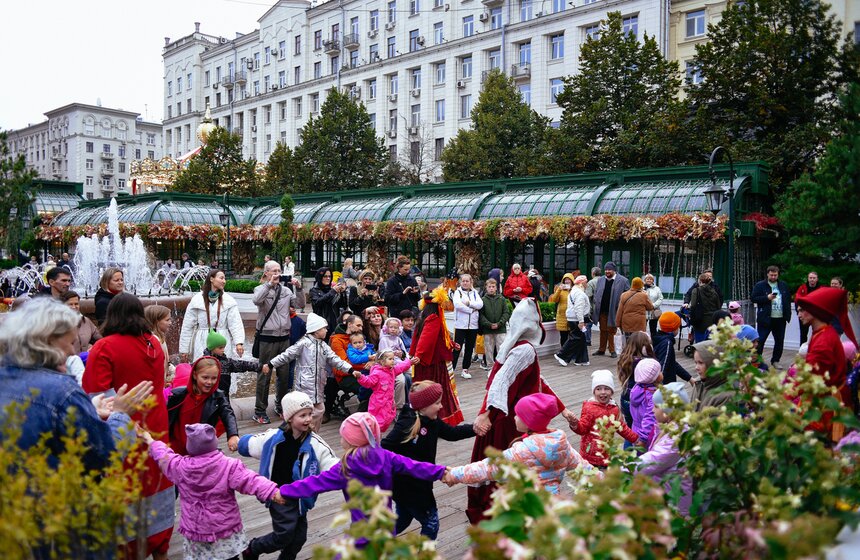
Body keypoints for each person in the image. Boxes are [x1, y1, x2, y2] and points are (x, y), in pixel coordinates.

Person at [0, 298, 153, 471]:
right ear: (48, 340)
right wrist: (120, 414)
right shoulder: (62, 390)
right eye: (69, 342)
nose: (72, 351)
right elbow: (105, 456)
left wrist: (89, 410)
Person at [467, 298, 576, 523]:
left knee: (500, 463)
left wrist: (563, 410)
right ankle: (506, 508)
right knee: (509, 462)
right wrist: (486, 413)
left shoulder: (515, 346)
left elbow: (538, 381)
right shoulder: (524, 349)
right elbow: (501, 381)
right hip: (511, 419)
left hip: (506, 414)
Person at [82, 293, 175, 558]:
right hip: (156, 423)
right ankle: (160, 541)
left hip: (123, 428)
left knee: (128, 481)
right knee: (156, 476)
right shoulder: (153, 343)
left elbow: (96, 396)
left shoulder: (104, 347)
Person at [276, 412, 447, 528]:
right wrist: (442, 472)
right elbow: (414, 466)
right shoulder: (386, 457)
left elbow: (314, 483)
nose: (341, 439)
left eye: (343, 436)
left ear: (351, 441)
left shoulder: (346, 468)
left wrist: (283, 491)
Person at [142, 423, 282, 560]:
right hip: (224, 530)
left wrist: (150, 441)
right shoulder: (229, 466)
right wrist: (272, 492)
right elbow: (251, 480)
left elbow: (164, 455)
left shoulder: (180, 467)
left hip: (197, 532)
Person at [239, 392, 340, 560]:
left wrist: (344, 471)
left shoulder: (314, 443)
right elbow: (255, 443)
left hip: (300, 497)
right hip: (278, 494)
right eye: (303, 415)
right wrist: (240, 443)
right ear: (289, 418)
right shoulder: (273, 438)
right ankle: (253, 548)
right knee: (284, 535)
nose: (308, 419)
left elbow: (329, 460)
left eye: (310, 414)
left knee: (299, 539)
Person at [381, 381, 477, 539]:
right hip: (411, 486)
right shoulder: (407, 423)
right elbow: (384, 446)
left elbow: (452, 433)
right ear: (423, 406)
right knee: (431, 523)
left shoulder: (432, 421)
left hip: (416, 483)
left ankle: (375, 541)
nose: (441, 406)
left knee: (403, 519)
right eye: (437, 403)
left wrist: (474, 428)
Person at [447, 392, 589, 494]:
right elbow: (585, 468)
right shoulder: (562, 445)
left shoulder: (522, 451)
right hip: (551, 508)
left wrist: (453, 474)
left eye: (519, 415)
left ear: (529, 422)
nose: (514, 417)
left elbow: (487, 468)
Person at [264, 313, 357, 432]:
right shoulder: (303, 343)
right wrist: (271, 364)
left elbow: (335, 360)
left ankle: (311, 433)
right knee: (305, 411)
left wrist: (350, 369)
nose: (326, 330)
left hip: (318, 385)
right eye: (324, 328)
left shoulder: (323, 346)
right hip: (305, 385)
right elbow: (287, 355)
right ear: (316, 330)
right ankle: (296, 432)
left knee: (319, 409)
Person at [796, 287, 858, 440]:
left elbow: (811, 378)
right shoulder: (822, 332)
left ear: (814, 311)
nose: (799, 315)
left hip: (827, 404)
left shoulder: (823, 341)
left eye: (802, 310)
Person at [252, 261, 305, 423]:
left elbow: (300, 304)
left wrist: (299, 288)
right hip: (267, 338)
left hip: (284, 338)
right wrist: (269, 284)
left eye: (279, 270)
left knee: (284, 375)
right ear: (266, 273)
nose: (277, 273)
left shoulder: (286, 290)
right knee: (264, 374)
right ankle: (260, 411)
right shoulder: (260, 289)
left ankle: (281, 406)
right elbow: (256, 300)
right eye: (273, 271)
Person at [634, 382, 693, 516]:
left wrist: (621, 469)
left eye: (656, 406)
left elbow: (652, 460)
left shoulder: (676, 438)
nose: (652, 410)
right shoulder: (668, 429)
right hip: (665, 497)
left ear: (668, 411)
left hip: (674, 507)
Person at [411, 287, 465, 426]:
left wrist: (451, 344)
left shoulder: (423, 317)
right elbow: (426, 340)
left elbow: (440, 337)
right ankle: (441, 419)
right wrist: (419, 355)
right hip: (433, 362)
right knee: (436, 390)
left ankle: (424, 418)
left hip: (426, 360)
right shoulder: (434, 318)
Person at [166, 356, 239, 456]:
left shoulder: (218, 397)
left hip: (201, 450)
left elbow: (228, 414)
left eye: (214, 378)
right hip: (177, 449)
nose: (209, 382)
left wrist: (233, 434)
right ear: (195, 375)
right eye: (205, 377)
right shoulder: (178, 395)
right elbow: (165, 417)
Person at [568, 370, 642, 467]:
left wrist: (635, 439)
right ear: (594, 391)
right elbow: (582, 429)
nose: (603, 392)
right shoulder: (589, 408)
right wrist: (574, 424)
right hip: (589, 456)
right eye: (598, 389)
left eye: (607, 389)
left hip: (607, 454)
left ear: (612, 391)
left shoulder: (614, 408)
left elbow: (621, 427)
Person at [179, 268, 245, 362]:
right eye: (221, 278)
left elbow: (235, 323)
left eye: (224, 278)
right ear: (211, 279)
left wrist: (239, 343)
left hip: (222, 339)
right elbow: (188, 325)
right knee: (203, 366)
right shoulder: (197, 300)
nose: (224, 281)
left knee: (223, 367)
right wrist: (184, 349)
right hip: (202, 340)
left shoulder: (229, 301)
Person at [354, 350, 419, 431]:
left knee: (387, 419)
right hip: (378, 402)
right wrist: (360, 377)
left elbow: (400, 367)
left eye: (393, 359)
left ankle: (376, 433)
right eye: (390, 359)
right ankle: (373, 434)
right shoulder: (377, 373)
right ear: (382, 361)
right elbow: (369, 382)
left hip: (389, 401)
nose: (393, 361)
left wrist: (409, 362)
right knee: (378, 422)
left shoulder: (392, 370)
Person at [203, 330, 262, 401]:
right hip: (207, 399)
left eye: (224, 347)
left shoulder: (227, 362)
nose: (223, 350)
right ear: (212, 348)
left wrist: (259, 366)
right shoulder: (202, 363)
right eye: (220, 348)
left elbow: (242, 365)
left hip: (224, 398)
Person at [751, 265, 792, 366]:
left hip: (780, 318)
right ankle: (757, 360)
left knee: (779, 341)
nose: (773, 277)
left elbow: (787, 299)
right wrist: (767, 298)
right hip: (765, 318)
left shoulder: (783, 285)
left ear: (778, 275)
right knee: (760, 340)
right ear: (767, 274)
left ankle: (775, 361)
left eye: (775, 275)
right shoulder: (760, 285)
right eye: (771, 275)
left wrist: (788, 315)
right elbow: (753, 298)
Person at [616, 331, 656, 426]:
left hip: (626, 398)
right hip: (640, 399)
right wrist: (650, 354)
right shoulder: (645, 363)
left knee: (630, 428)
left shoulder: (625, 359)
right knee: (641, 427)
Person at [592, 262, 630, 358]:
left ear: (614, 270)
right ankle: (601, 349)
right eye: (606, 270)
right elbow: (596, 292)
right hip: (602, 310)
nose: (607, 271)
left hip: (615, 311)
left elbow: (627, 295)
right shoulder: (600, 280)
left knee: (612, 330)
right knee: (603, 330)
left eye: (609, 270)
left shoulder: (623, 280)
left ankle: (612, 350)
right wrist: (596, 300)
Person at [452, 273, 484, 380]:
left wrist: (469, 303)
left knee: (469, 348)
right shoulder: (458, 292)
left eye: (467, 281)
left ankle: (465, 369)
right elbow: (458, 305)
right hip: (460, 325)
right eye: (463, 281)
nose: (465, 283)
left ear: (471, 282)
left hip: (473, 326)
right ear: (460, 282)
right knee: (457, 348)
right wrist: (471, 310)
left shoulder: (475, 293)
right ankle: (451, 369)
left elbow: (480, 304)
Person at [554, 274, 591, 367]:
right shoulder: (579, 293)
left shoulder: (574, 291)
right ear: (581, 283)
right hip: (576, 319)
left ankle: (582, 360)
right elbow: (579, 308)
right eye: (586, 282)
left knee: (581, 339)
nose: (587, 284)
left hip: (573, 318)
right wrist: (581, 321)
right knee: (575, 338)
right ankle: (561, 355)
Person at [690, 340, 734, 412]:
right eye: (696, 362)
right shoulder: (698, 383)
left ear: (714, 364)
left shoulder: (726, 396)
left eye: (701, 363)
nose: (696, 367)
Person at [630, 358, 663, 447]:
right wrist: (643, 438)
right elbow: (650, 417)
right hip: (648, 434)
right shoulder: (653, 395)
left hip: (635, 429)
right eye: (659, 372)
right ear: (654, 378)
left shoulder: (636, 388)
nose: (661, 373)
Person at [652, 312, 692, 385]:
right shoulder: (667, 343)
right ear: (674, 328)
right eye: (678, 327)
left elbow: (671, 363)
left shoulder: (659, 339)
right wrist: (658, 385)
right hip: (665, 385)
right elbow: (663, 365)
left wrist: (689, 378)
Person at [478, 278, 510, 367]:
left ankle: (501, 366)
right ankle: (490, 367)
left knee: (502, 349)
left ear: (496, 288)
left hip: (500, 329)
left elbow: (506, 313)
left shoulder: (502, 299)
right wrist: (489, 324)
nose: (491, 288)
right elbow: (480, 315)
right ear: (486, 288)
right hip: (488, 330)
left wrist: (499, 323)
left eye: (493, 286)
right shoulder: (482, 300)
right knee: (488, 350)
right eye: (489, 287)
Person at [615, 277, 654, 344]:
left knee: (628, 342)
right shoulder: (643, 295)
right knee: (638, 343)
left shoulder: (624, 295)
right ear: (641, 285)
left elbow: (619, 310)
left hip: (627, 323)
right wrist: (647, 296)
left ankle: (629, 350)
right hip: (639, 324)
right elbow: (650, 307)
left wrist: (617, 324)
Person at [61, 290, 101, 354]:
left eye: (76, 304)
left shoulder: (86, 321)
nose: (74, 307)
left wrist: (93, 347)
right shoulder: (57, 324)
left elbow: (100, 338)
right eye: (70, 304)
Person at [310, 266, 347, 336]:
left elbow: (343, 305)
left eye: (329, 276)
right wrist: (332, 292)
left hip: (334, 323)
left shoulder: (333, 289)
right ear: (320, 277)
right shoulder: (314, 290)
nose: (328, 278)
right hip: (321, 325)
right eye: (325, 276)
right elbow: (317, 303)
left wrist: (342, 293)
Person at [144, 304, 175, 387]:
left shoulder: (160, 337)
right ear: (156, 322)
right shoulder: (152, 341)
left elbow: (166, 362)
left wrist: (174, 371)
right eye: (167, 320)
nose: (170, 323)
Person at [689, 272, 722, 343]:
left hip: (699, 321)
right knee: (710, 344)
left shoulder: (696, 291)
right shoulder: (714, 292)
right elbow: (718, 307)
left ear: (700, 281)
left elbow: (693, 306)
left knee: (700, 344)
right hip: (712, 322)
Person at [384, 255, 421, 320]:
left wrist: (416, 293)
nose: (407, 271)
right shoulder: (392, 281)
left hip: (411, 313)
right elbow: (388, 298)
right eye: (405, 269)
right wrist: (402, 294)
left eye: (409, 269)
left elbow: (418, 298)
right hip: (398, 314)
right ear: (399, 268)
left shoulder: (412, 279)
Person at [548, 273, 576, 346]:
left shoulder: (575, 290)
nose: (567, 281)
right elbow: (554, 300)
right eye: (565, 280)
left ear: (572, 281)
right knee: (563, 336)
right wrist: (559, 290)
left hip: (572, 316)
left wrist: (570, 290)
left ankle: (570, 350)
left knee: (572, 336)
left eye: (569, 279)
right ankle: (563, 350)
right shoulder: (560, 290)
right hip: (562, 316)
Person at [795, 271, 822, 345]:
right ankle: (802, 349)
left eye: (814, 278)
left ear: (817, 279)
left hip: (816, 315)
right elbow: (797, 300)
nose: (812, 279)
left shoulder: (821, 289)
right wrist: (799, 313)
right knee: (803, 334)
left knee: (817, 333)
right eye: (810, 278)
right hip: (804, 314)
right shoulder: (802, 288)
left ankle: (816, 348)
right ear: (808, 279)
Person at [643, 274, 664, 340]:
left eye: (650, 279)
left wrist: (653, 305)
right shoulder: (641, 288)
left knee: (653, 329)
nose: (649, 280)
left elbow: (660, 298)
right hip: (644, 310)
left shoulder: (657, 289)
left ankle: (654, 342)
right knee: (643, 328)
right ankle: (643, 342)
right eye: (647, 279)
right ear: (645, 280)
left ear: (653, 280)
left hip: (654, 310)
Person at [585, 266, 602, 346]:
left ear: (593, 273)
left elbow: (588, 296)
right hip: (604, 307)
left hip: (594, 307)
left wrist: (588, 309)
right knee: (604, 326)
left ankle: (587, 340)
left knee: (588, 324)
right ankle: (606, 343)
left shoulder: (591, 282)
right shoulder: (604, 280)